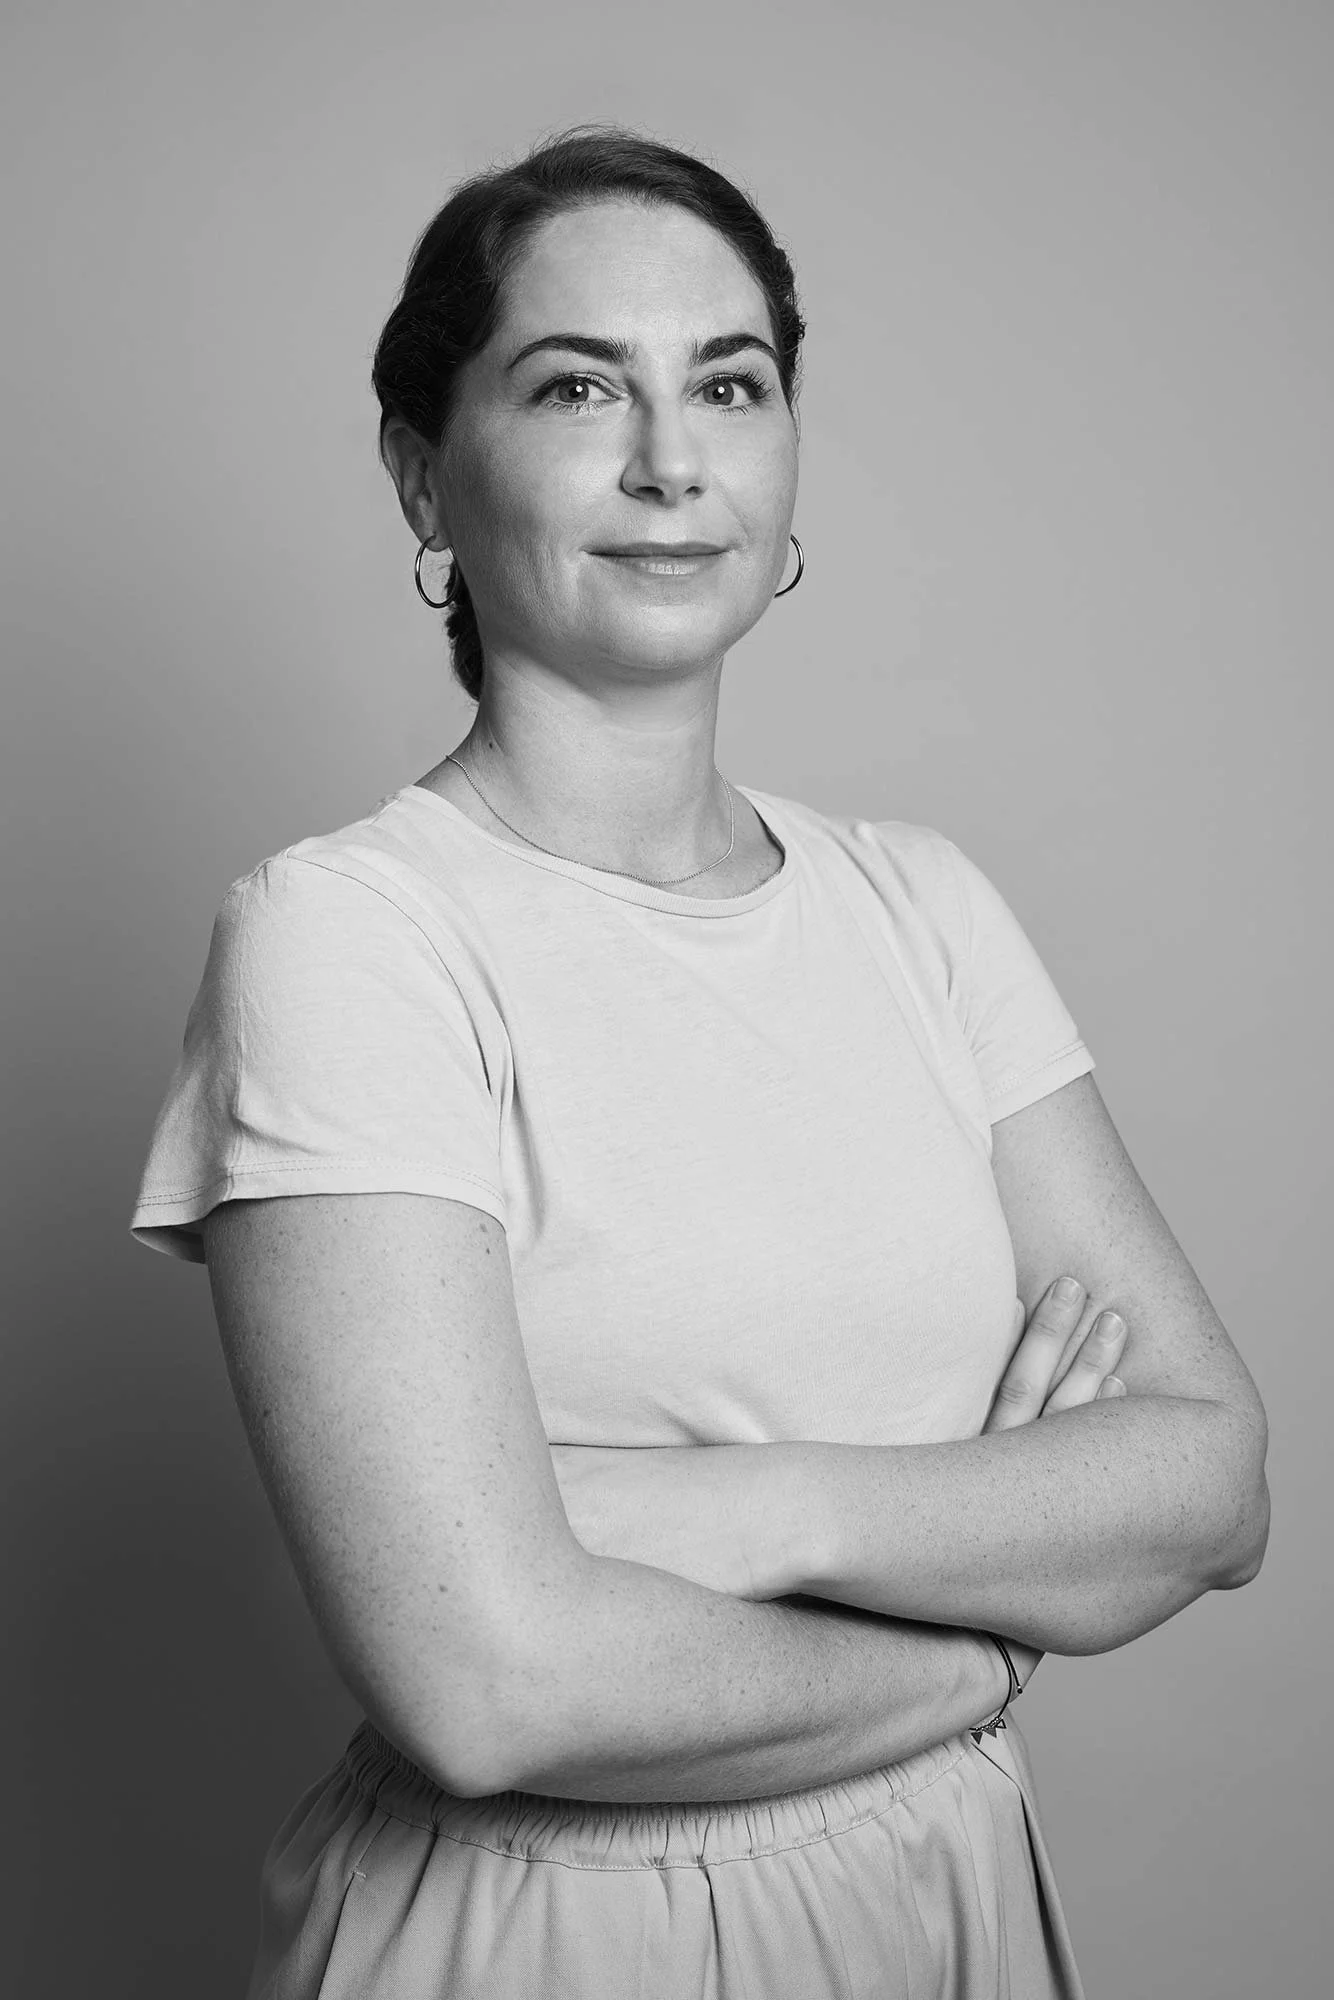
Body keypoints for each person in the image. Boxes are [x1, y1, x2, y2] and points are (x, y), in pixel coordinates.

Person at [129, 126, 1269, 1999]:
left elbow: (1207, 1480)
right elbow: (494, 1685)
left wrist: (752, 1510)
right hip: (552, 1934)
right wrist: (980, 1628)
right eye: (579, 386)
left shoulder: (924, 905)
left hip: (948, 1892)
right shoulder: (349, 937)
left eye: (727, 386)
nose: (670, 462)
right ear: (425, 474)